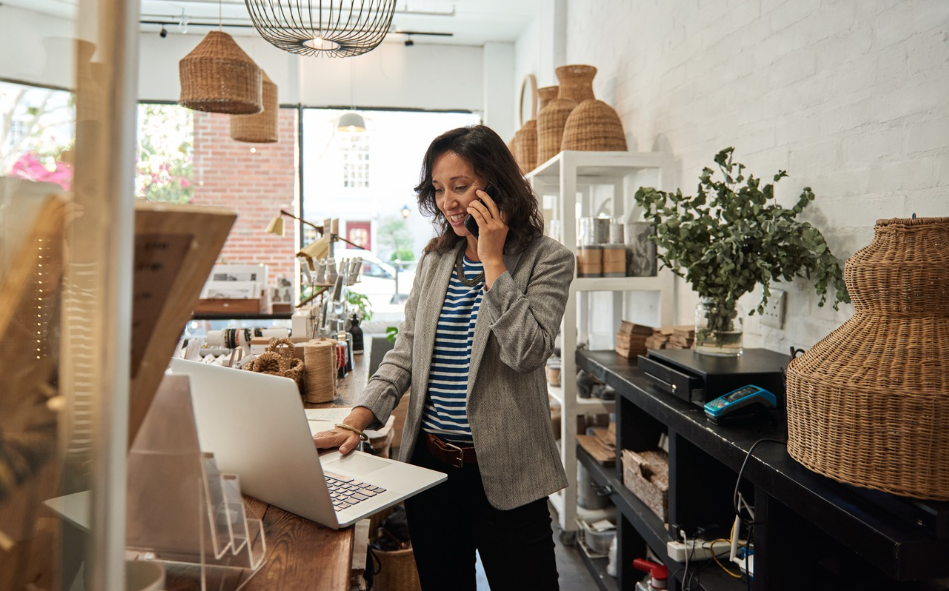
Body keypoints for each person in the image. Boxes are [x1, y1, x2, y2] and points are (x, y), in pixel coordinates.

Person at [314, 125, 574, 590]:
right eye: (438, 189)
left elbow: (527, 353)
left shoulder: (546, 259)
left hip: (509, 476)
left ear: (496, 185)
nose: (448, 202)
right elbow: (405, 353)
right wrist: (357, 417)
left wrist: (493, 262)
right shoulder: (435, 262)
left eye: (460, 186)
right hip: (430, 475)